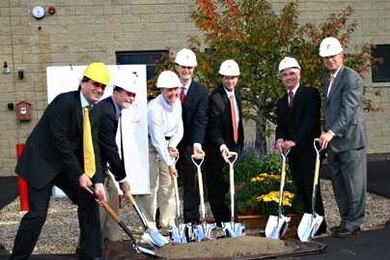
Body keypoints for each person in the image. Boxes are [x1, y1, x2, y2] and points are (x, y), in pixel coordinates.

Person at [9, 62, 109, 260]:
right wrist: (80, 174)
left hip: (63, 165)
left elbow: (92, 148)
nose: (99, 89)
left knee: (88, 199)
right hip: (41, 162)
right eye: (95, 84)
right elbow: (60, 142)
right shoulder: (63, 102)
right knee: (38, 215)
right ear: (83, 83)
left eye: (103, 86)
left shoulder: (95, 110)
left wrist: (97, 180)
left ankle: (91, 254)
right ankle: (18, 258)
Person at [318, 37, 367, 238]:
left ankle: (354, 222)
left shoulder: (351, 78)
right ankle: (346, 220)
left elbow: (347, 111)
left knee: (354, 185)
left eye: (333, 56)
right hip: (334, 143)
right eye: (326, 57)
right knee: (339, 185)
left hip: (350, 140)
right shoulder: (328, 80)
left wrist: (331, 132)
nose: (330, 60)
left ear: (342, 56)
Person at [275, 57, 327, 235]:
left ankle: (319, 226)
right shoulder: (281, 102)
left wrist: (295, 140)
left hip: (309, 150)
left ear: (299, 74)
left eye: (292, 73)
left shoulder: (310, 94)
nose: (289, 77)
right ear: (281, 78)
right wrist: (280, 139)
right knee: (300, 188)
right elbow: (280, 125)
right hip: (292, 153)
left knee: (311, 187)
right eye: (285, 75)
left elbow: (310, 121)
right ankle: (307, 223)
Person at [136, 70, 183, 231]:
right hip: (151, 145)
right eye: (169, 90)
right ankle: (149, 226)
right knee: (151, 186)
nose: (173, 93)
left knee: (168, 185)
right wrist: (170, 163)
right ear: (162, 90)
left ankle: (167, 223)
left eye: (175, 89)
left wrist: (173, 145)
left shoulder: (177, 103)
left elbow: (179, 129)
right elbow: (157, 140)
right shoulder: (153, 109)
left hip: (168, 144)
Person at [95, 73, 137, 243]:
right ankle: (90, 246)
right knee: (101, 206)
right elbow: (110, 148)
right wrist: (123, 178)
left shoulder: (112, 109)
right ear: (116, 92)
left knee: (112, 198)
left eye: (133, 95)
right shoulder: (106, 111)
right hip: (93, 166)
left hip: (102, 165)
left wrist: (119, 178)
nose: (131, 98)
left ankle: (112, 243)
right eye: (128, 93)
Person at [205, 59, 244, 224]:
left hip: (234, 146)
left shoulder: (237, 94)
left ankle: (232, 219)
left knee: (231, 184)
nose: (230, 81)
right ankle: (222, 221)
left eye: (233, 77)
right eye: (227, 78)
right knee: (217, 187)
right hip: (217, 149)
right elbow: (213, 126)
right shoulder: (215, 97)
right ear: (221, 78)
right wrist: (221, 145)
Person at [174, 48, 209, 224]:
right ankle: (166, 220)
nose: (186, 71)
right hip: (170, 143)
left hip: (189, 143)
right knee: (166, 183)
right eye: (183, 67)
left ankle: (191, 221)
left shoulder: (201, 92)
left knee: (191, 183)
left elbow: (200, 119)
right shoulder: (170, 87)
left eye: (189, 68)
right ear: (177, 68)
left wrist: (197, 143)